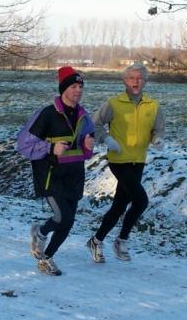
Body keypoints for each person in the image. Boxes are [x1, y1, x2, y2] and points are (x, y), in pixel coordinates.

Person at [17, 66, 95, 276]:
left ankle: (46, 256)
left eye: (80, 86)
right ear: (63, 89)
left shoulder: (83, 115)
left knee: (68, 222)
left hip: (74, 175)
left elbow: (85, 151)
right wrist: (51, 148)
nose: (78, 90)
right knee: (63, 218)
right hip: (50, 174)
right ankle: (41, 233)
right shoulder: (47, 113)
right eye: (73, 86)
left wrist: (88, 146)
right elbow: (23, 145)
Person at [87, 62, 165, 262]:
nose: (136, 81)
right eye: (132, 77)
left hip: (138, 160)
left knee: (120, 206)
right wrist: (106, 139)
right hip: (118, 159)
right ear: (124, 81)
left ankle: (96, 240)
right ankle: (122, 240)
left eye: (140, 78)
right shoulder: (114, 103)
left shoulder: (153, 106)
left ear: (145, 81)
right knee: (141, 201)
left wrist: (157, 139)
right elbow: (94, 124)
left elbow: (158, 129)